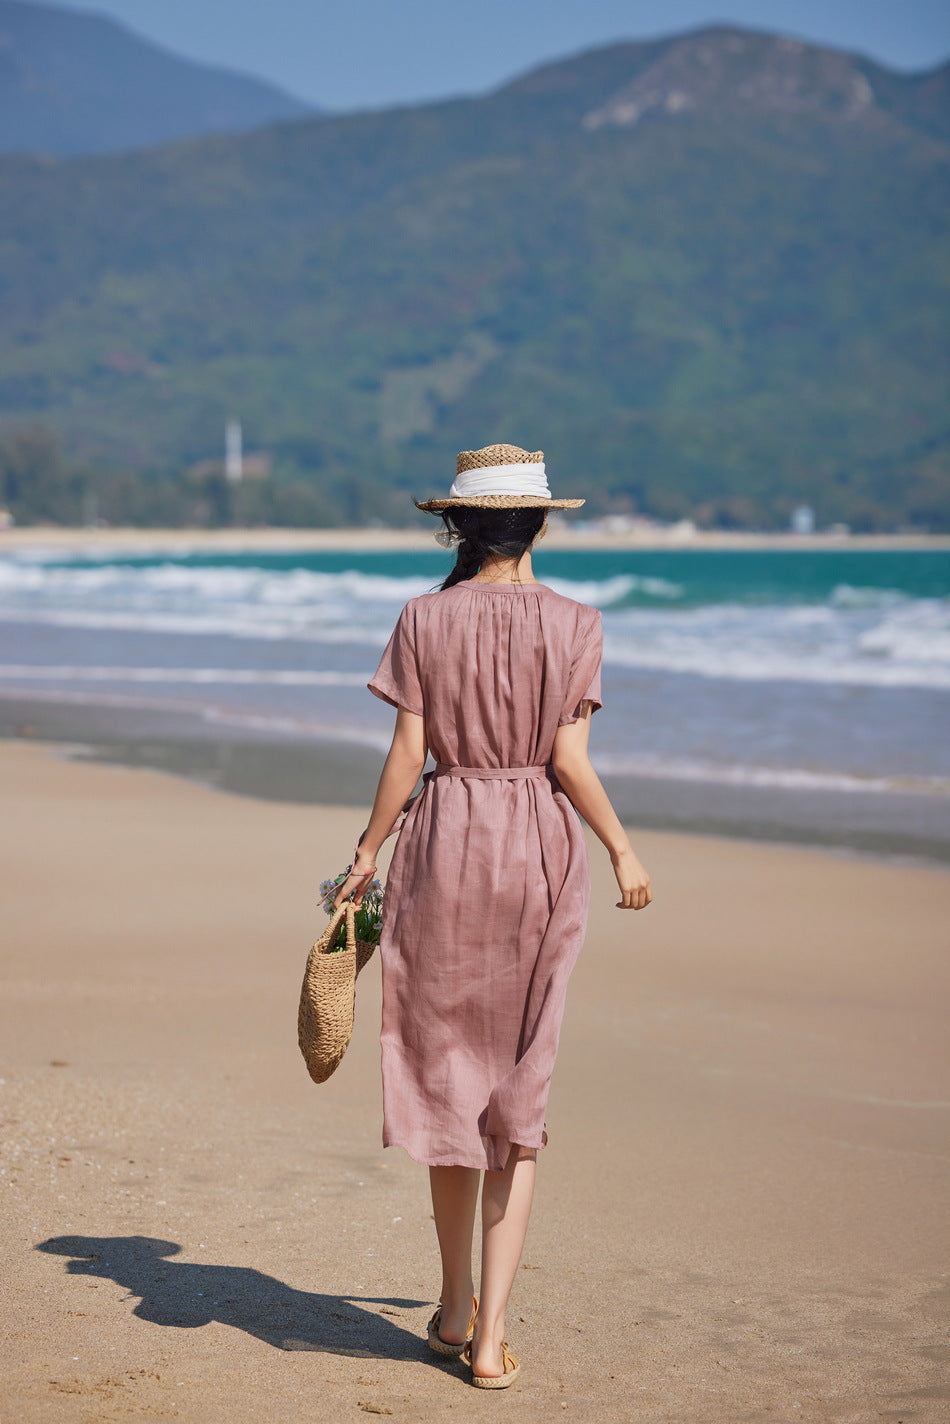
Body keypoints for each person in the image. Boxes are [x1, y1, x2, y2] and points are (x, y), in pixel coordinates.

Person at [332, 443, 652, 1388]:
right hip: (539, 853)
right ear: (542, 522)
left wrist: (366, 850)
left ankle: (454, 1303)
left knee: (446, 1082)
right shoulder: (577, 623)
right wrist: (623, 848)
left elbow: (406, 753)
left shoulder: (423, 618)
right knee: (520, 1089)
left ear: (456, 526)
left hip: (445, 840)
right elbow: (568, 760)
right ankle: (487, 1339)